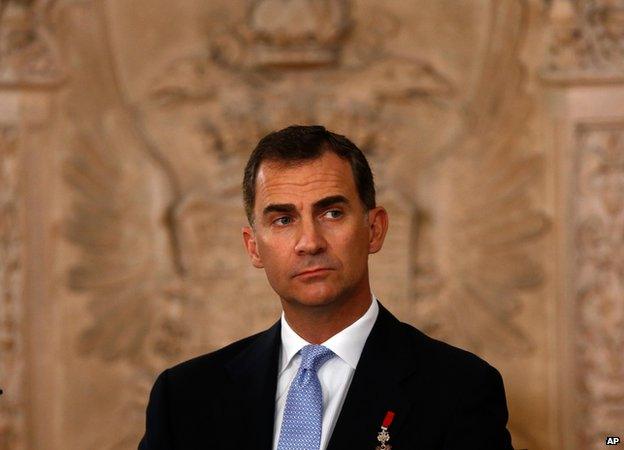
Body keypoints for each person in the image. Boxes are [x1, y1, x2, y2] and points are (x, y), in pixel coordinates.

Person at [138, 125, 514, 450]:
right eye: (283, 219)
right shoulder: (185, 397)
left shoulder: (459, 389)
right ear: (254, 247)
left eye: (331, 213)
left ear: (375, 229)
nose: (309, 242)